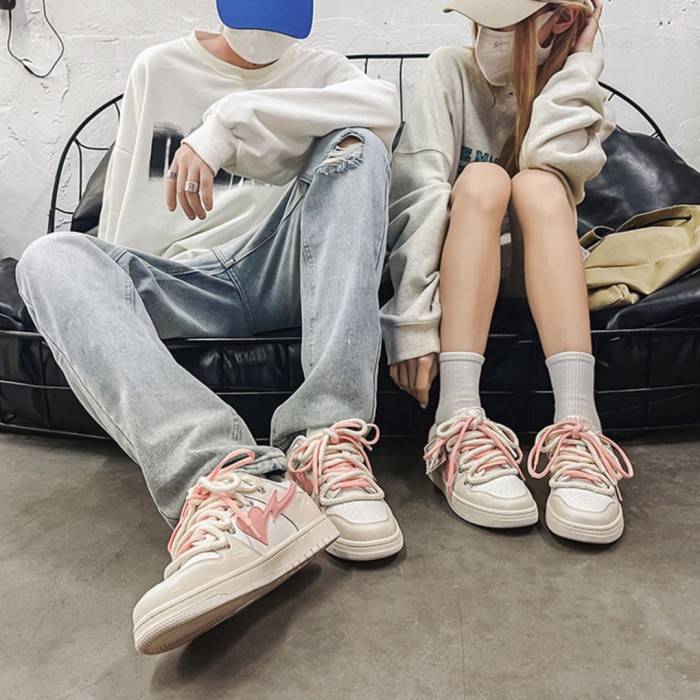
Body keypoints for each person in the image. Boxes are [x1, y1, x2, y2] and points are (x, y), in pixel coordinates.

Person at [16, 0, 404, 655]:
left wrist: (226, 123)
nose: (265, 36)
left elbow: (383, 109)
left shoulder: (326, 70)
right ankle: (233, 482)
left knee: (357, 146)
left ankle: (325, 439)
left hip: (280, 261)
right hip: (182, 278)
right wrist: (115, 310)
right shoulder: (158, 68)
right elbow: (125, 210)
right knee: (49, 257)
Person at [382, 0, 634, 545]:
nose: (486, 31)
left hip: (536, 270)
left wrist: (577, 65)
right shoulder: (450, 68)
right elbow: (418, 195)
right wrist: (411, 320)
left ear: (558, 20)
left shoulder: (575, 90)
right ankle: (457, 420)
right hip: (461, 266)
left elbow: (553, 165)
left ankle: (578, 427)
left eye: (505, 18)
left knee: (539, 184)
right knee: (483, 180)